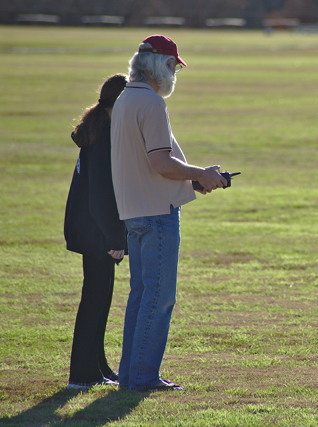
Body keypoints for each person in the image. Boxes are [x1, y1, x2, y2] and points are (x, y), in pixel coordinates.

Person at [111, 35, 227, 391]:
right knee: (159, 298)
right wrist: (202, 175)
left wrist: (191, 182)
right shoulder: (151, 103)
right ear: (161, 65)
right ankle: (143, 378)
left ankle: (131, 376)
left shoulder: (124, 100)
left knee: (141, 296)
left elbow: (145, 166)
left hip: (135, 212)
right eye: (174, 66)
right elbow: (160, 162)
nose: (176, 73)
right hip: (157, 215)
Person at [64, 74, 128, 390]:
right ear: (118, 104)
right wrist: (115, 239)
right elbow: (101, 195)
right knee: (94, 299)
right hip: (96, 231)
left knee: (100, 298)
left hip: (92, 228)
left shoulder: (103, 128)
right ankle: (82, 375)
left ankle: (98, 367)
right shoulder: (104, 137)